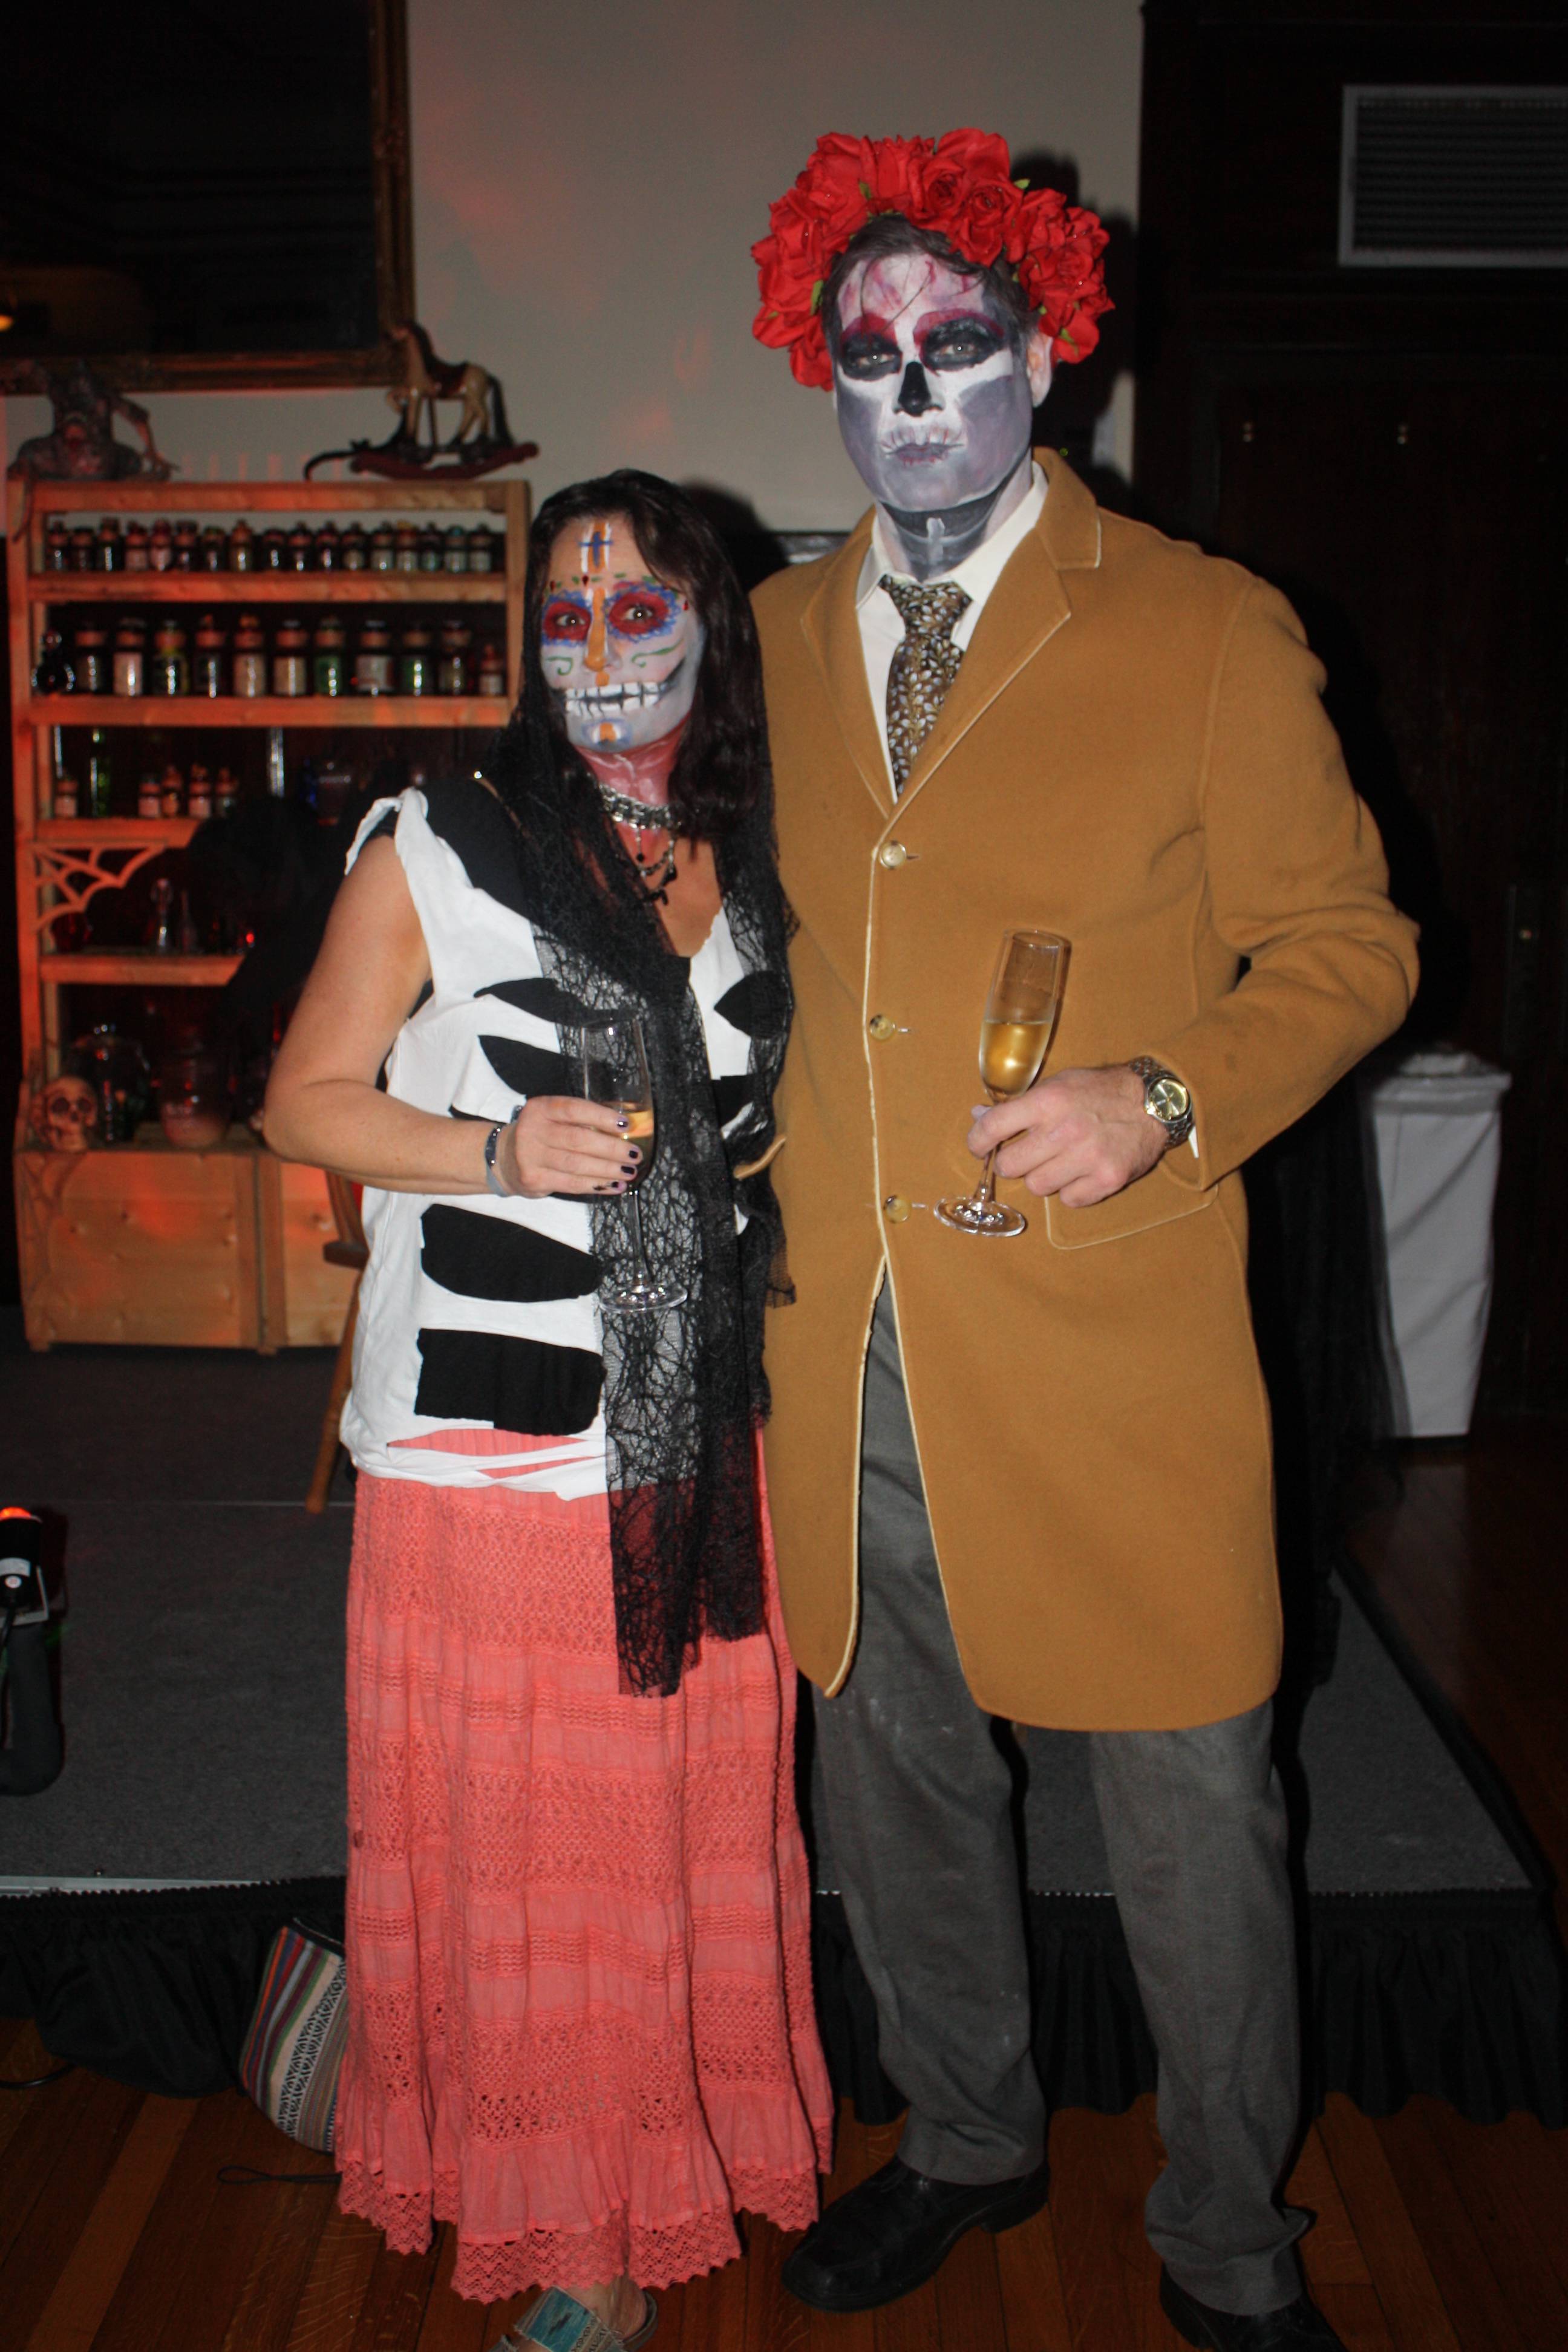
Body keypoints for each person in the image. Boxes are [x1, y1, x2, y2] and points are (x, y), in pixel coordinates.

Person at [747, 131, 1419, 2351]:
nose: (913, 391)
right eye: (869, 353)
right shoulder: (765, 641)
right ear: (822, 376)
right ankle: (967, 2137)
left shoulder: (1206, 627)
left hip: (1113, 1345)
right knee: (896, 1778)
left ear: (1046, 357)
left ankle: (1229, 2240)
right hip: (848, 1336)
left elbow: (1353, 948)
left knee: (1197, 1806)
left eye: (959, 343)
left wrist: (1171, 1095)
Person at [265, 471, 831, 2352]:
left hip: (691, 1438)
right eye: (563, 612)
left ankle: (662, 2157)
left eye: (639, 607)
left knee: (660, 1838)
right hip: (491, 1449)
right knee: (529, 1854)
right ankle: (571, 2232)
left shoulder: (757, 853)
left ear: (711, 630)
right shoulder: (446, 838)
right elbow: (303, 1101)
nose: (596, 646)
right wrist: (497, 1149)